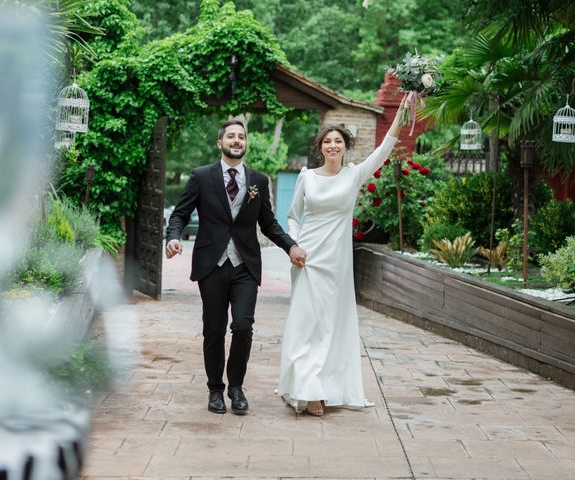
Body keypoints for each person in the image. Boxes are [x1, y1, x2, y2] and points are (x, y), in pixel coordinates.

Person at [165, 119, 307, 415]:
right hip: (212, 266)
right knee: (214, 330)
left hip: (245, 265)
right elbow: (179, 213)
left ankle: (236, 387)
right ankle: (215, 389)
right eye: (231, 136)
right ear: (220, 143)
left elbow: (268, 223)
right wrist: (174, 237)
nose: (236, 140)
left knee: (243, 326)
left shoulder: (258, 181)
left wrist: (290, 246)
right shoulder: (201, 176)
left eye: (241, 136)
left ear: (246, 143)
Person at [277, 96, 407, 416]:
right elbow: (293, 216)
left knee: (331, 325)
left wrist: (401, 114)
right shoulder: (306, 177)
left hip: (337, 263)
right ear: (320, 147)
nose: (332, 146)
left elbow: (384, 150)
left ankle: (326, 386)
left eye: (338, 141)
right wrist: (294, 245)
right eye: (327, 141)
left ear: (345, 147)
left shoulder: (354, 175)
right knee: (306, 324)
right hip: (307, 259)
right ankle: (307, 390)